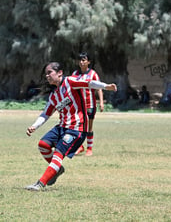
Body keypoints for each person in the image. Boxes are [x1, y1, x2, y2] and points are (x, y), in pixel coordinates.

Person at [25, 61, 117, 191]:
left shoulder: (70, 82)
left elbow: (89, 83)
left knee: (58, 154)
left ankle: (39, 184)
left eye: (49, 72)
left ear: (60, 72)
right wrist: (34, 126)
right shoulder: (54, 95)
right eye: (46, 74)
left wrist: (106, 86)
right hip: (62, 127)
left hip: (76, 129)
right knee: (43, 145)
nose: (47, 76)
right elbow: (46, 114)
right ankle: (57, 169)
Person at [72, 52, 104, 156]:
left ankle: (89, 149)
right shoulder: (75, 74)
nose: (81, 62)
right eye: (80, 60)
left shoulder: (93, 74)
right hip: (78, 105)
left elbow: (99, 88)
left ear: (88, 62)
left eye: (84, 60)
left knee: (89, 127)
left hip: (90, 104)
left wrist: (101, 102)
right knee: (78, 126)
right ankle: (80, 147)